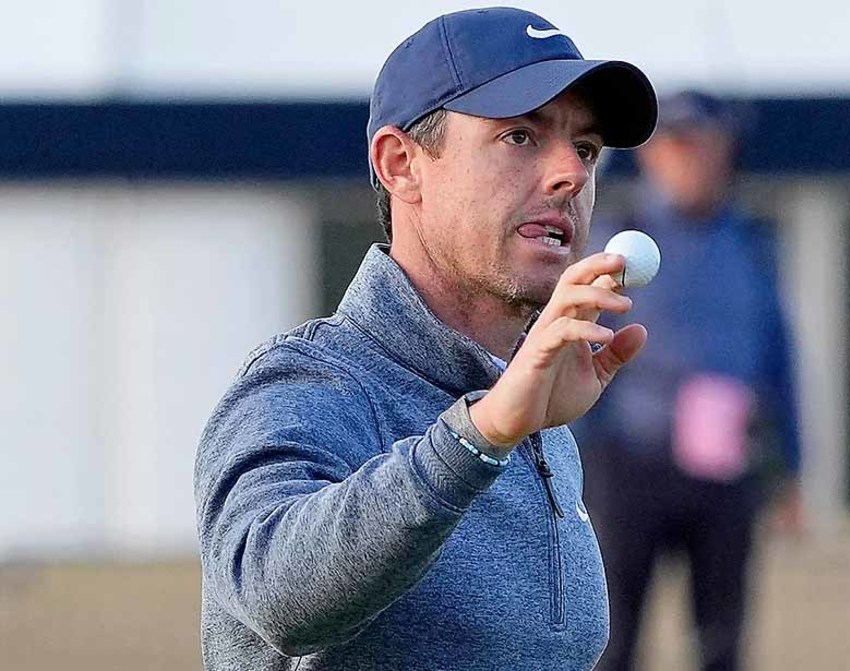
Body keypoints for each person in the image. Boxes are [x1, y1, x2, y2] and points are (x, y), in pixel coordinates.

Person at [193, 8, 657, 670]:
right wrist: (482, 433)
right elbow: (272, 591)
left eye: (585, 148)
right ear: (400, 163)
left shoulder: (542, 416)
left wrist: (496, 423)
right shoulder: (307, 382)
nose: (572, 174)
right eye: (521, 137)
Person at [574, 90, 801, 671]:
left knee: (722, 643)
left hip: (725, 472)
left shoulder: (751, 244)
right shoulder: (613, 240)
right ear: (650, 157)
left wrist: (792, 471)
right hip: (629, 466)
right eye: (673, 146)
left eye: (701, 145)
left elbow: (780, 363)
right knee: (612, 640)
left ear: (725, 152)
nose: (688, 159)